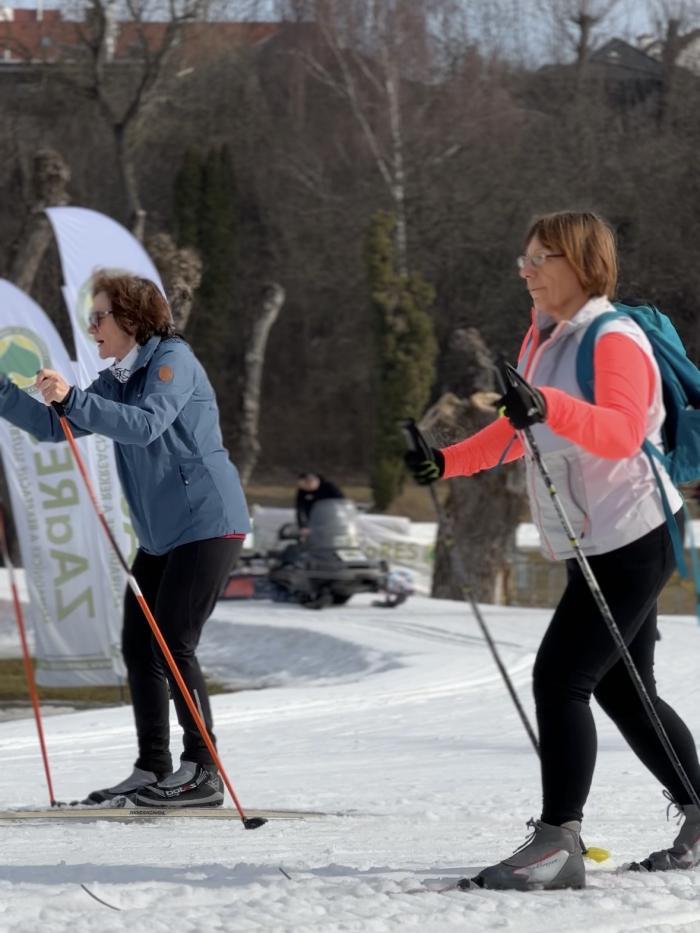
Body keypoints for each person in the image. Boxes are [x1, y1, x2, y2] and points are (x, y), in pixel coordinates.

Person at [405, 210, 700, 889]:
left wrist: (548, 407)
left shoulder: (613, 337)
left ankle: (557, 844)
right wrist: (445, 462)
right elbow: (522, 429)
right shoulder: (542, 337)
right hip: (594, 539)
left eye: (543, 258)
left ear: (583, 264)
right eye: (526, 258)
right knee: (625, 688)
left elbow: (621, 433)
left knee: (561, 678)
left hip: (635, 533)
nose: (527, 270)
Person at [0, 271, 251, 808]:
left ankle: (203, 770)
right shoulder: (118, 376)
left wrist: (72, 398)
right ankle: (153, 766)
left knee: (174, 640)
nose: (91, 327)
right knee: (140, 645)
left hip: (207, 522)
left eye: (99, 317)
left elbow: (145, 425)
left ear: (132, 319)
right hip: (161, 536)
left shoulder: (172, 362)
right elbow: (55, 428)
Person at [295, 472, 345, 536]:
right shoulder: (302, 491)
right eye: (303, 486)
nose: (305, 488)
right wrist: (302, 526)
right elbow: (300, 509)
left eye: (307, 484)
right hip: (314, 521)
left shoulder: (329, 487)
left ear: (314, 481)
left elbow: (342, 502)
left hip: (332, 518)